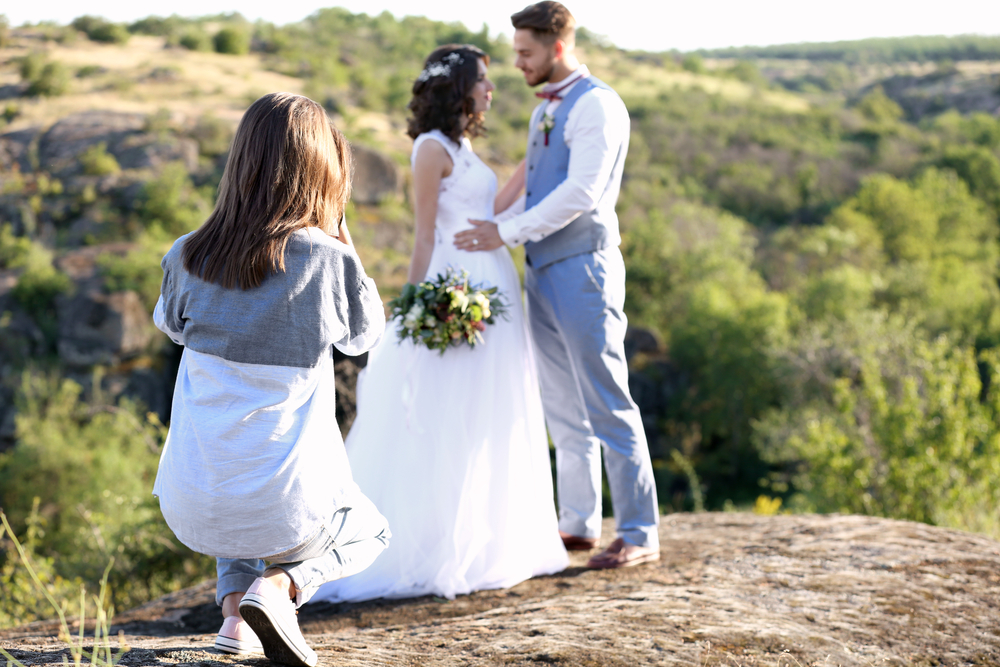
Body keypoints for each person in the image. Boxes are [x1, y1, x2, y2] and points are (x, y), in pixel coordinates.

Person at [312, 44, 568, 604]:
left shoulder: (465, 145)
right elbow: (425, 234)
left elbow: (488, 214)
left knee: (490, 408)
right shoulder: (429, 149)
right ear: (459, 88)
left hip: (494, 283)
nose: (491, 90)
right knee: (445, 410)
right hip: (453, 290)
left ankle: (489, 541)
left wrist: (528, 168)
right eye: (484, 81)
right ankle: (431, 543)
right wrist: (412, 306)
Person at [151, 92, 390, 667]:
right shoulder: (329, 261)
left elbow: (171, 325)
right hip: (285, 507)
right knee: (371, 530)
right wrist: (337, 233)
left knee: (230, 447)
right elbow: (367, 336)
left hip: (190, 502)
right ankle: (278, 589)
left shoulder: (185, 255)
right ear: (319, 170)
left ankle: (234, 612)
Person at [453, 1, 660, 569]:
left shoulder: (597, 106)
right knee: (563, 403)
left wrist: (506, 233)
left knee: (606, 398)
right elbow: (532, 181)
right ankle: (579, 522)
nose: (517, 64)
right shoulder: (546, 107)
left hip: (583, 266)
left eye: (525, 53)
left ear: (558, 47)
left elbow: (582, 194)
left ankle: (640, 531)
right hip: (541, 269)